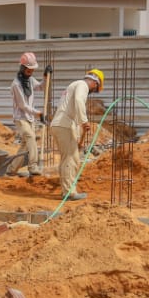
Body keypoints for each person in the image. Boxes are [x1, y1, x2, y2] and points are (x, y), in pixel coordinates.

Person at [48, 68, 104, 201]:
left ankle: (66, 190)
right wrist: (84, 121)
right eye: (95, 89)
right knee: (71, 158)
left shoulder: (74, 85)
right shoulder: (83, 85)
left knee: (66, 158)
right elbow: (79, 101)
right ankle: (69, 193)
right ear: (95, 83)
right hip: (64, 125)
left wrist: (78, 137)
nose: (93, 92)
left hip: (59, 124)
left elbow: (71, 109)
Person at [9, 52, 48, 176]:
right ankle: (33, 166)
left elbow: (41, 87)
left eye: (32, 70)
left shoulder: (30, 80)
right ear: (22, 68)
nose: (30, 72)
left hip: (30, 118)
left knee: (25, 145)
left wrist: (46, 77)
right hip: (20, 118)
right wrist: (38, 113)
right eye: (28, 70)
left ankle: (11, 169)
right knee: (31, 137)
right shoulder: (16, 84)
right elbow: (22, 105)